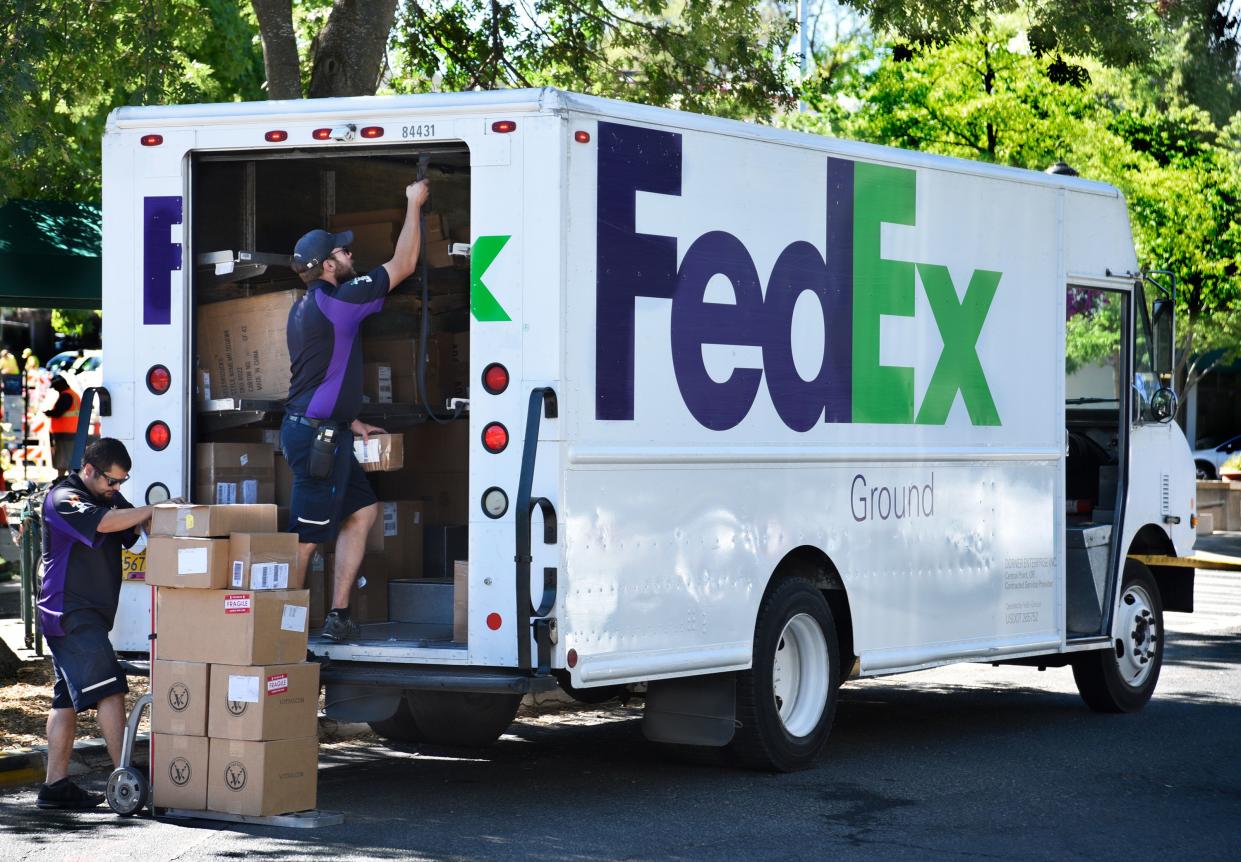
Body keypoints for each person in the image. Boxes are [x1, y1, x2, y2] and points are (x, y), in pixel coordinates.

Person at [284, 178, 430, 642]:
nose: (351, 255)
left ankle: (338, 614)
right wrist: (413, 202)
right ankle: (279, 631)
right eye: (343, 253)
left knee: (364, 511)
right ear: (328, 265)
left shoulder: (305, 306)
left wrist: (349, 418)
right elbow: (405, 262)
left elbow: (321, 373)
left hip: (325, 431)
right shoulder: (341, 299)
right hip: (315, 439)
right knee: (307, 540)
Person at [35, 438, 154, 809]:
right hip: (69, 612)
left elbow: (132, 533)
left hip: (88, 614)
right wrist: (152, 509)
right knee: (111, 689)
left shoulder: (107, 498)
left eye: (122, 482)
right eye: (112, 481)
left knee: (66, 700)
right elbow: (106, 524)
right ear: (89, 470)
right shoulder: (64, 499)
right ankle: (127, 777)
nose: (117, 489)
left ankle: (55, 787)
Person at [44, 375, 81, 477]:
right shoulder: (73, 395)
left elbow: (58, 412)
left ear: (61, 385)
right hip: (71, 431)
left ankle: (63, 479)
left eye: (56, 387)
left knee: (63, 457)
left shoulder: (67, 396)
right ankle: (68, 479)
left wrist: (48, 413)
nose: (55, 389)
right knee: (68, 457)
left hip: (65, 432)